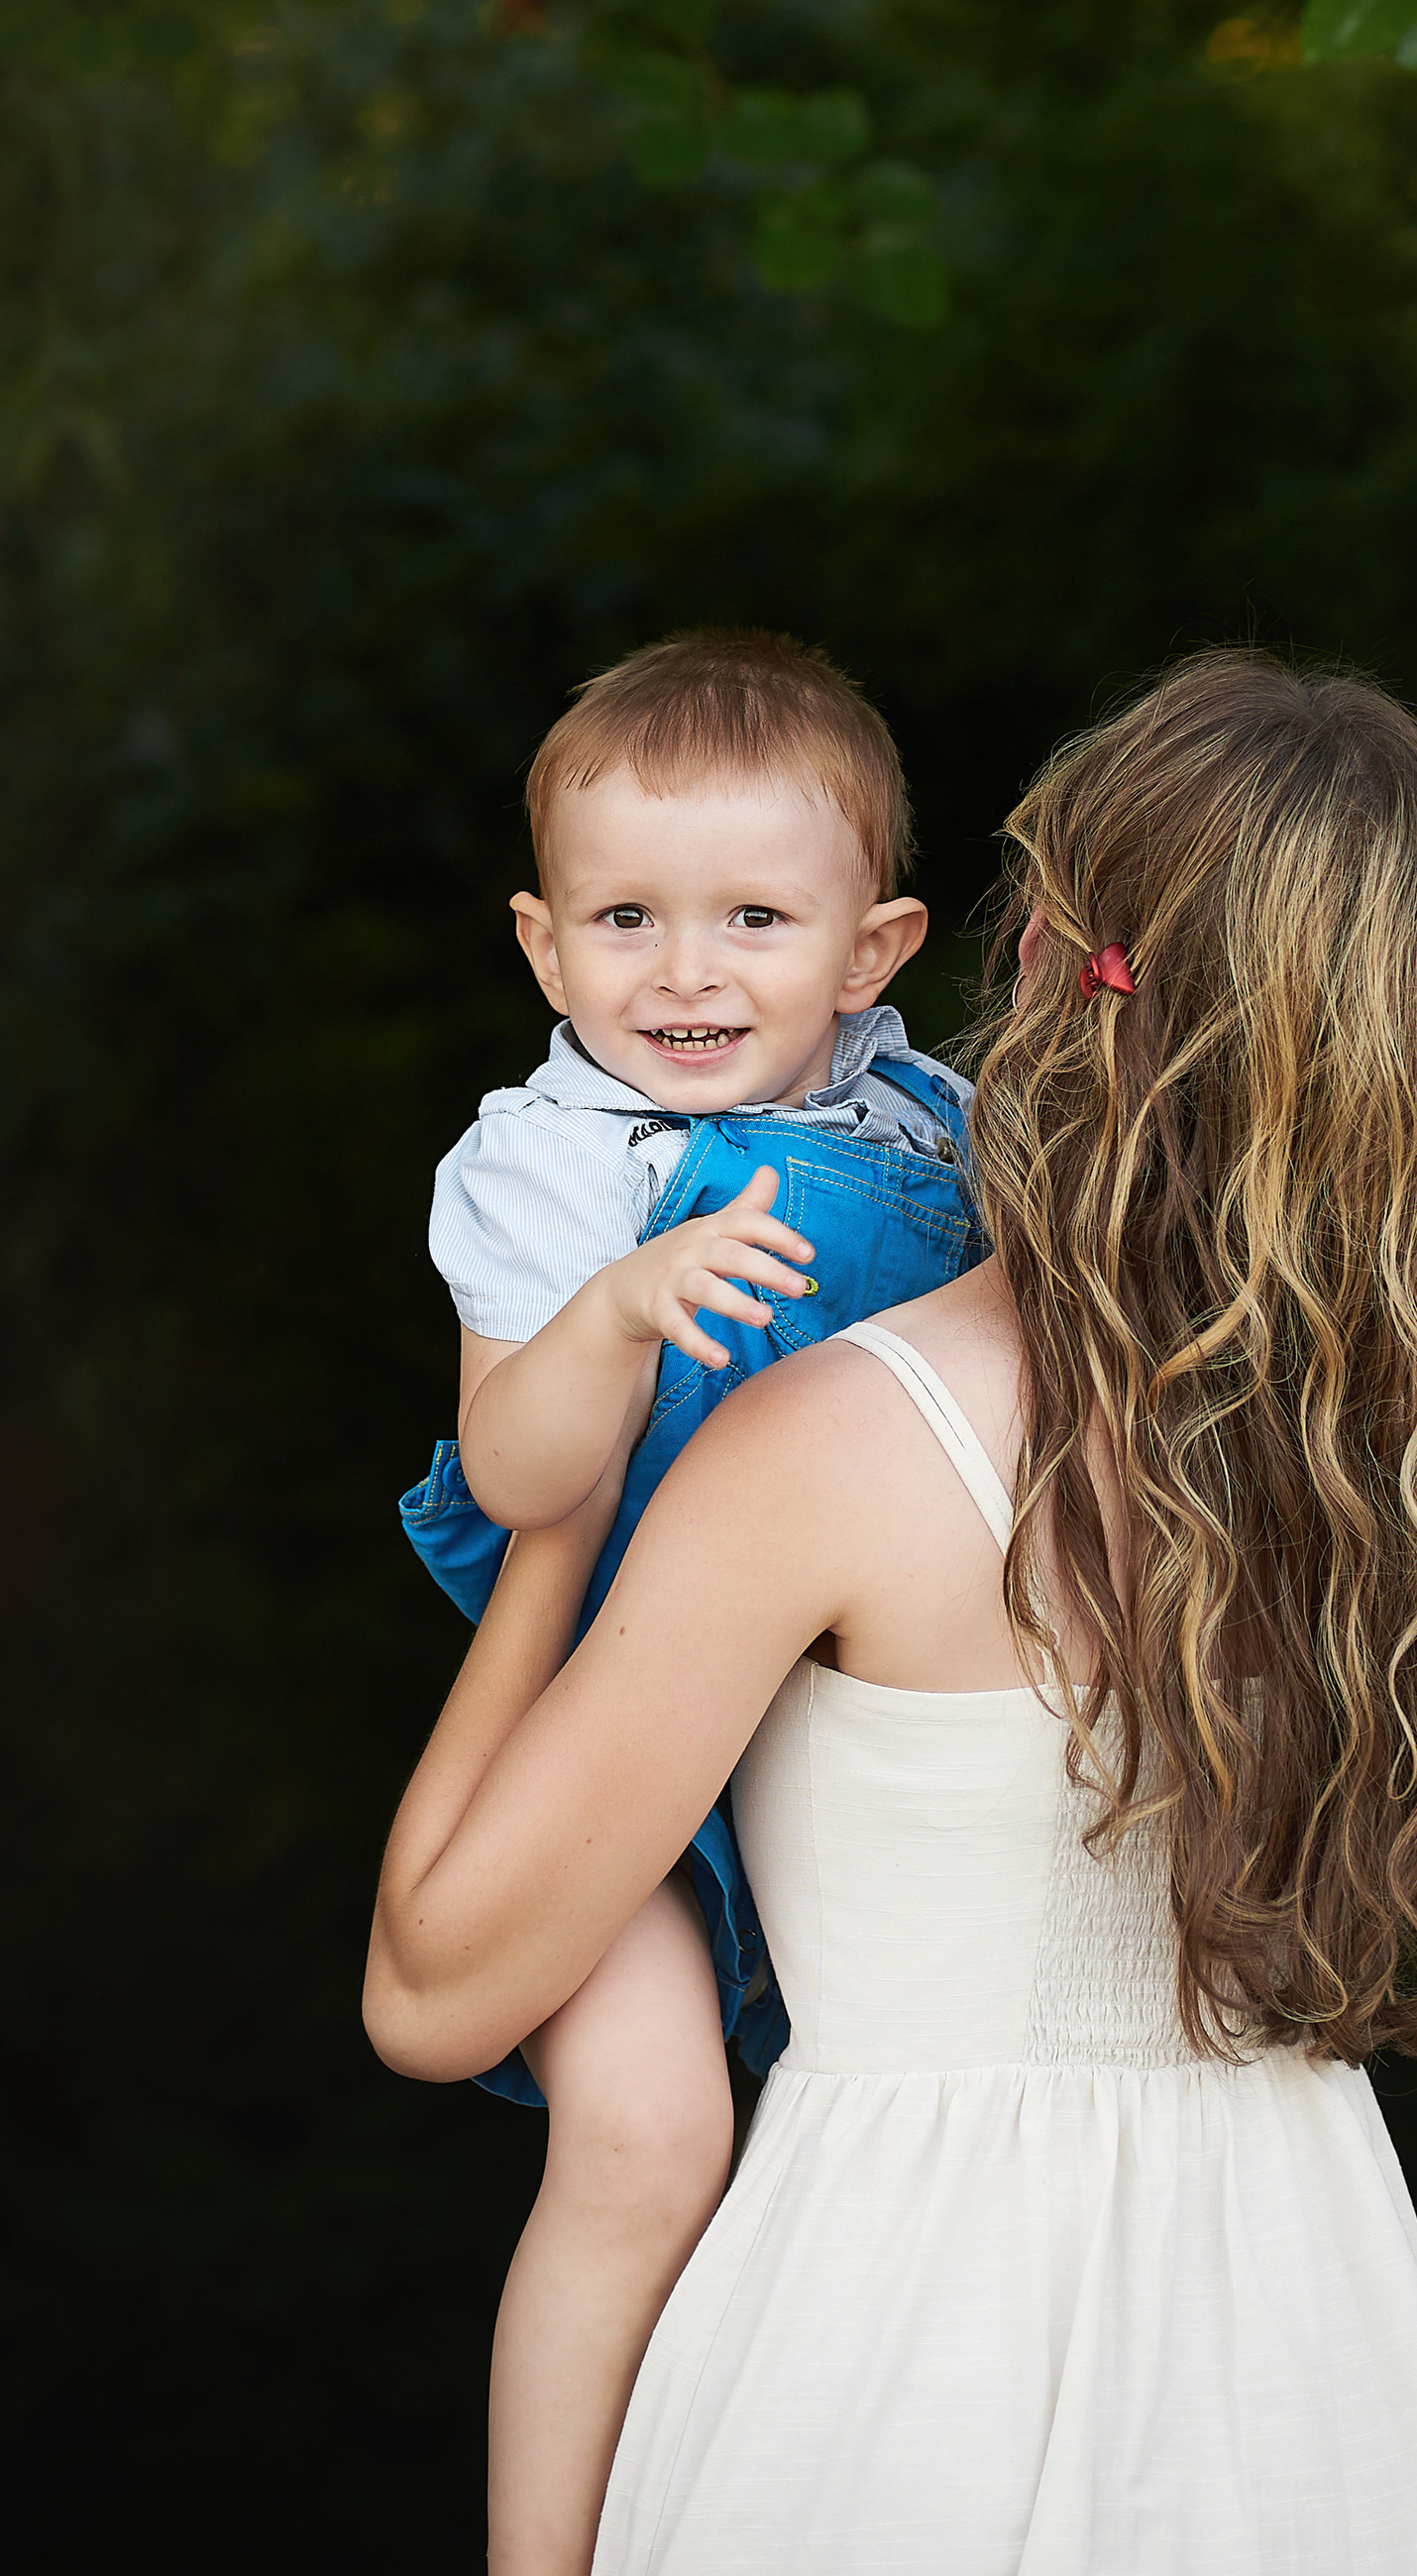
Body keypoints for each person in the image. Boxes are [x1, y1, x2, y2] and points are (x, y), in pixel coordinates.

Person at [369, 651, 1417, 2572]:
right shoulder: (1351, 1456)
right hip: (1297, 2334)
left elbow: (434, 1993)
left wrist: (550, 1534)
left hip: (907, 2341)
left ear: (1018, 973)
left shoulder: (838, 1437)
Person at [397, 629, 980, 2574]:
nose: (684, 970)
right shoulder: (553, 1164)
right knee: (649, 2138)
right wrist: (613, 1314)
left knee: (912, 2145)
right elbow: (513, 1477)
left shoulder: (943, 1130)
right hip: (615, 1727)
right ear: (541, 947)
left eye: (752, 916)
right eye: (623, 918)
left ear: (873, 951)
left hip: (838, 1725)